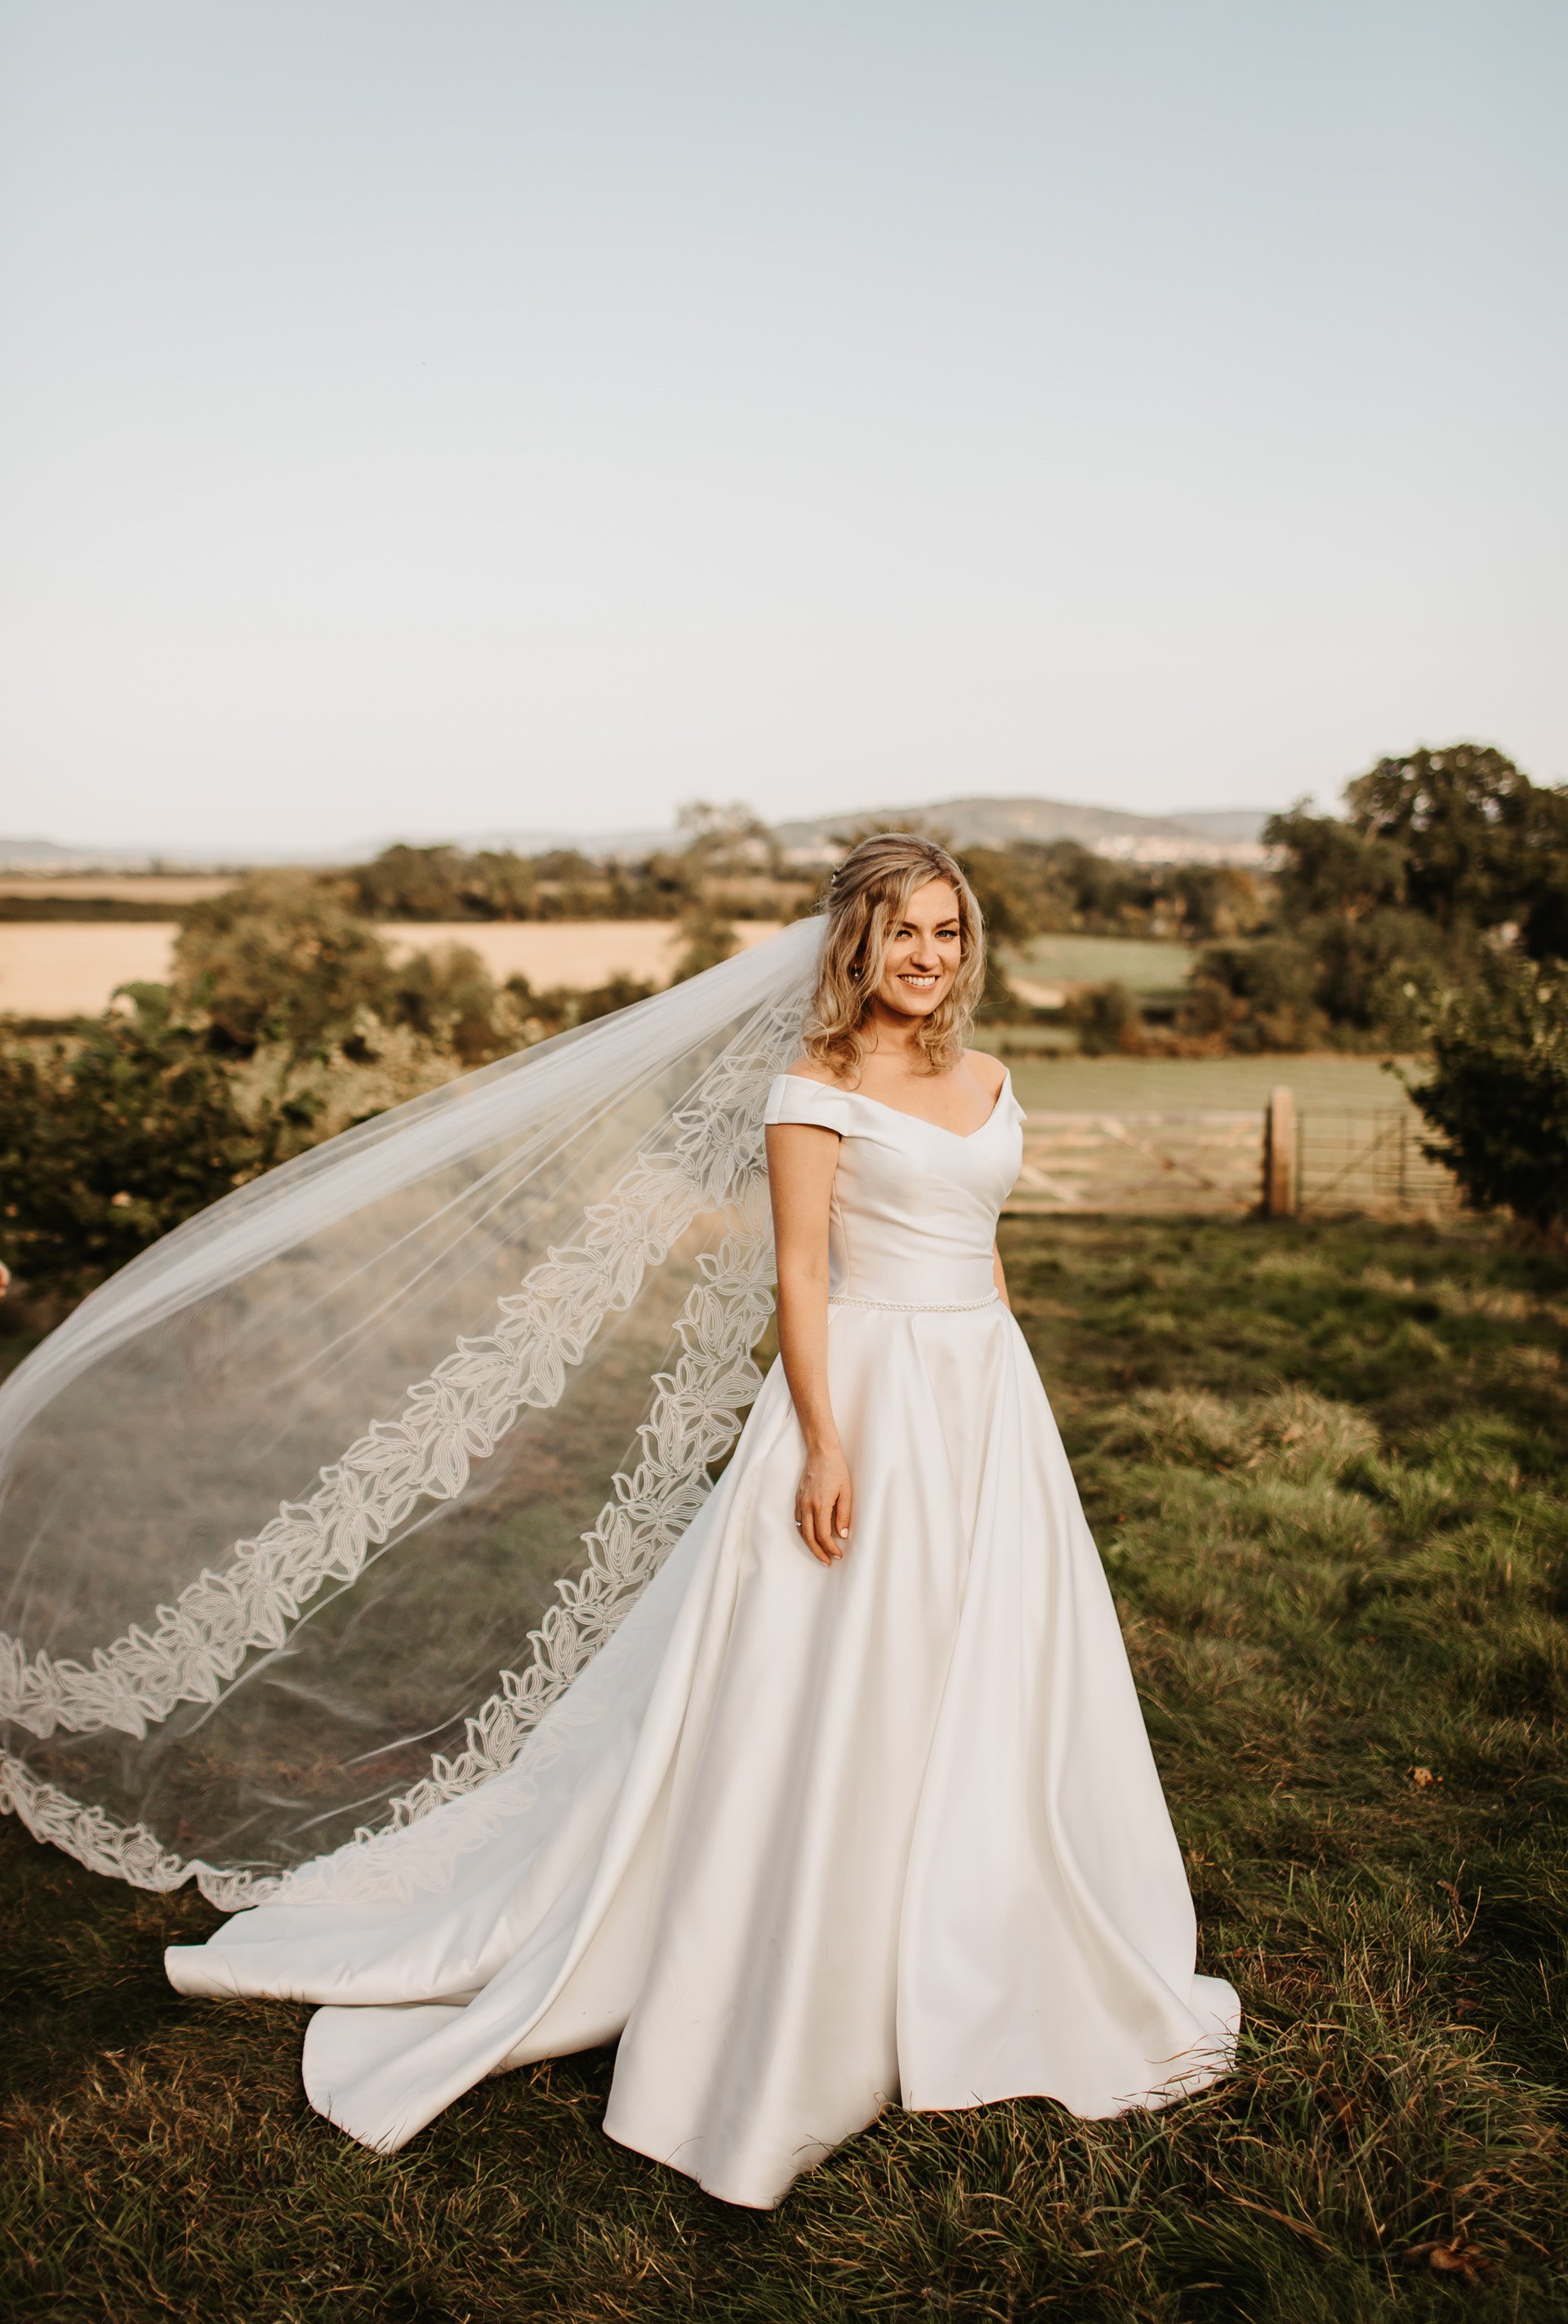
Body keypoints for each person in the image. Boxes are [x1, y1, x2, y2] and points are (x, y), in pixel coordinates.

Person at [163, 833, 1237, 2206]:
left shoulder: (990, 1077)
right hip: (868, 1393)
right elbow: (798, 1270)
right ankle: (811, 1949)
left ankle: (984, 1920)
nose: (929, 957)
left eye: (950, 934)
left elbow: (989, 1250)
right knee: (850, 1668)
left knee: (999, 1666)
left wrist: (1016, 1402)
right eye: (904, 931)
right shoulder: (816, 1082)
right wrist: (828, 1441)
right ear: (857, 938)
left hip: (985, 1398)